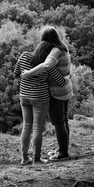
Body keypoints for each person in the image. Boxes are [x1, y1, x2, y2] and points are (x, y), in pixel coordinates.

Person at [21, 26, 73, 161]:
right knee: (63, 121)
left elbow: (46, 66)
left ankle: (62, 154)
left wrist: (28, 73)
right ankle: (63, 149)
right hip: (65, 89)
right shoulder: (63, 47)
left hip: (57, 92)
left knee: (58, 123)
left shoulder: (55, 51)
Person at [14, 41, 68, 165]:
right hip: (40, 97)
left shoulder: (24, 56)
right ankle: (37, 159)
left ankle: (24, 158)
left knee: (26, 126)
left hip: (24, 96)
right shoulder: (47, 64)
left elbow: (16, 74)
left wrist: (28, 80)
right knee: (38, 128)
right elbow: (60, 81)